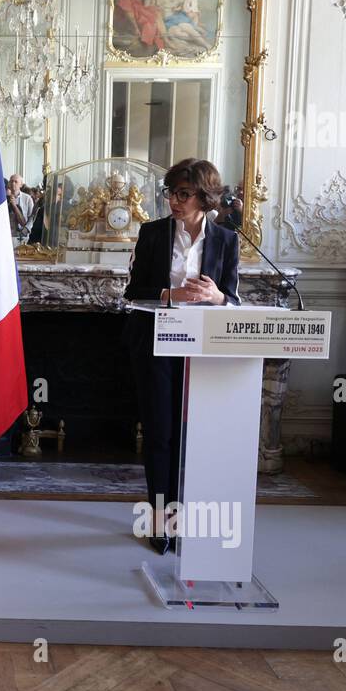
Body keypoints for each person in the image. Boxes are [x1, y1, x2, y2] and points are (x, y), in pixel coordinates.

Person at [123, 158, 240, 555]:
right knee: (160, 434)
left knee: (196, 437)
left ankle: (198, 518)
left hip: (205, 349)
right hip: (157, 343)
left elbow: (233, 297)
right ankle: (162, 520)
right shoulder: (152, 233)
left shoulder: (227, 240)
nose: (174, 200)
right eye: (170, 192)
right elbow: (132, 291)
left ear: (205, 197)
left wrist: (216, 297)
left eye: (184, 193)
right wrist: (170, 296)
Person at [7, 174, 34, 244]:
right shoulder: (3, 198)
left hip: (22, 235)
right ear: (9, 183)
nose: (13, 183)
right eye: (11, 181)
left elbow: (32, 217)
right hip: (7, 234)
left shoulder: (27, 198)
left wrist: (26, 229)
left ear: (21, 185)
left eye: (16, 182)